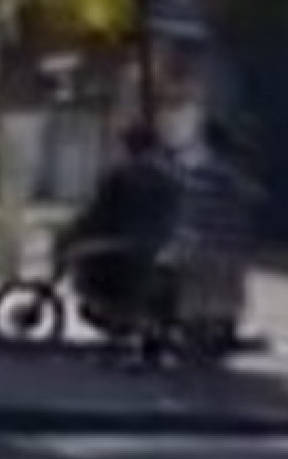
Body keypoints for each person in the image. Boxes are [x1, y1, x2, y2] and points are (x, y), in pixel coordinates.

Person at [65, 124, 177, 347]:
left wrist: (74, 232)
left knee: (82, 256)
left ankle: (107, 307)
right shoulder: (168, 175)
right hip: (159, 243)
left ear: (130, 147)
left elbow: (99, 211)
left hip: (125, 243)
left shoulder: (122, 174)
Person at [165, 120, 257, 358]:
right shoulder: (234, 176)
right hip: (228, 246)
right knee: (226, 298)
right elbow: (251, 201)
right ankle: (220, 336)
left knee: (195, 299)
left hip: (197, 245)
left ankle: (194, 337)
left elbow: (183, 208)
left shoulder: (194, 170)